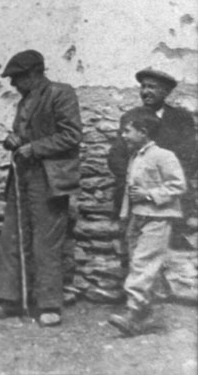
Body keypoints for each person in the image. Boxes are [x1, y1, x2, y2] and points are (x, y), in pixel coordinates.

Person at [0, 50, 82, 327]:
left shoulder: (61, 94)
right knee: (11, 238)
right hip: (21, 177)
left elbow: (72, 135)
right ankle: (10, 300)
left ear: (33, 74)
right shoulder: (24, 101)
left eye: (16, 78)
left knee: (45, 243)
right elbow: (23, 135)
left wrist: (35, 148)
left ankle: (49, 306)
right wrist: (13, 140)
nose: (12, 85)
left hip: (49, 179)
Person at [107, 108, 186, 337]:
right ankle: (148, 316)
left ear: (143, 132)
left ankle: (133, 314)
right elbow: (130, 193)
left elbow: (178, 185)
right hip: (137, 218)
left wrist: (150, 195)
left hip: (158, 218)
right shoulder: (135, 157)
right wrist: (125, 215)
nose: (123, 135)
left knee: (143, 263)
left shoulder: (164, 156)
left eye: (127, 131)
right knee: (139, 263)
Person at [107, 69, 196, 233]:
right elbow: (116, 156)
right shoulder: (130, 117)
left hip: (170, 191)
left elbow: (190, 156)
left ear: (166, 92)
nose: (145, 92)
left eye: (152, 87)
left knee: (174, 241)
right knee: (132, 241)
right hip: (136, 191)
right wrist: (134, 179)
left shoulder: (181, 118)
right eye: (143, 87)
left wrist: (165, 183)